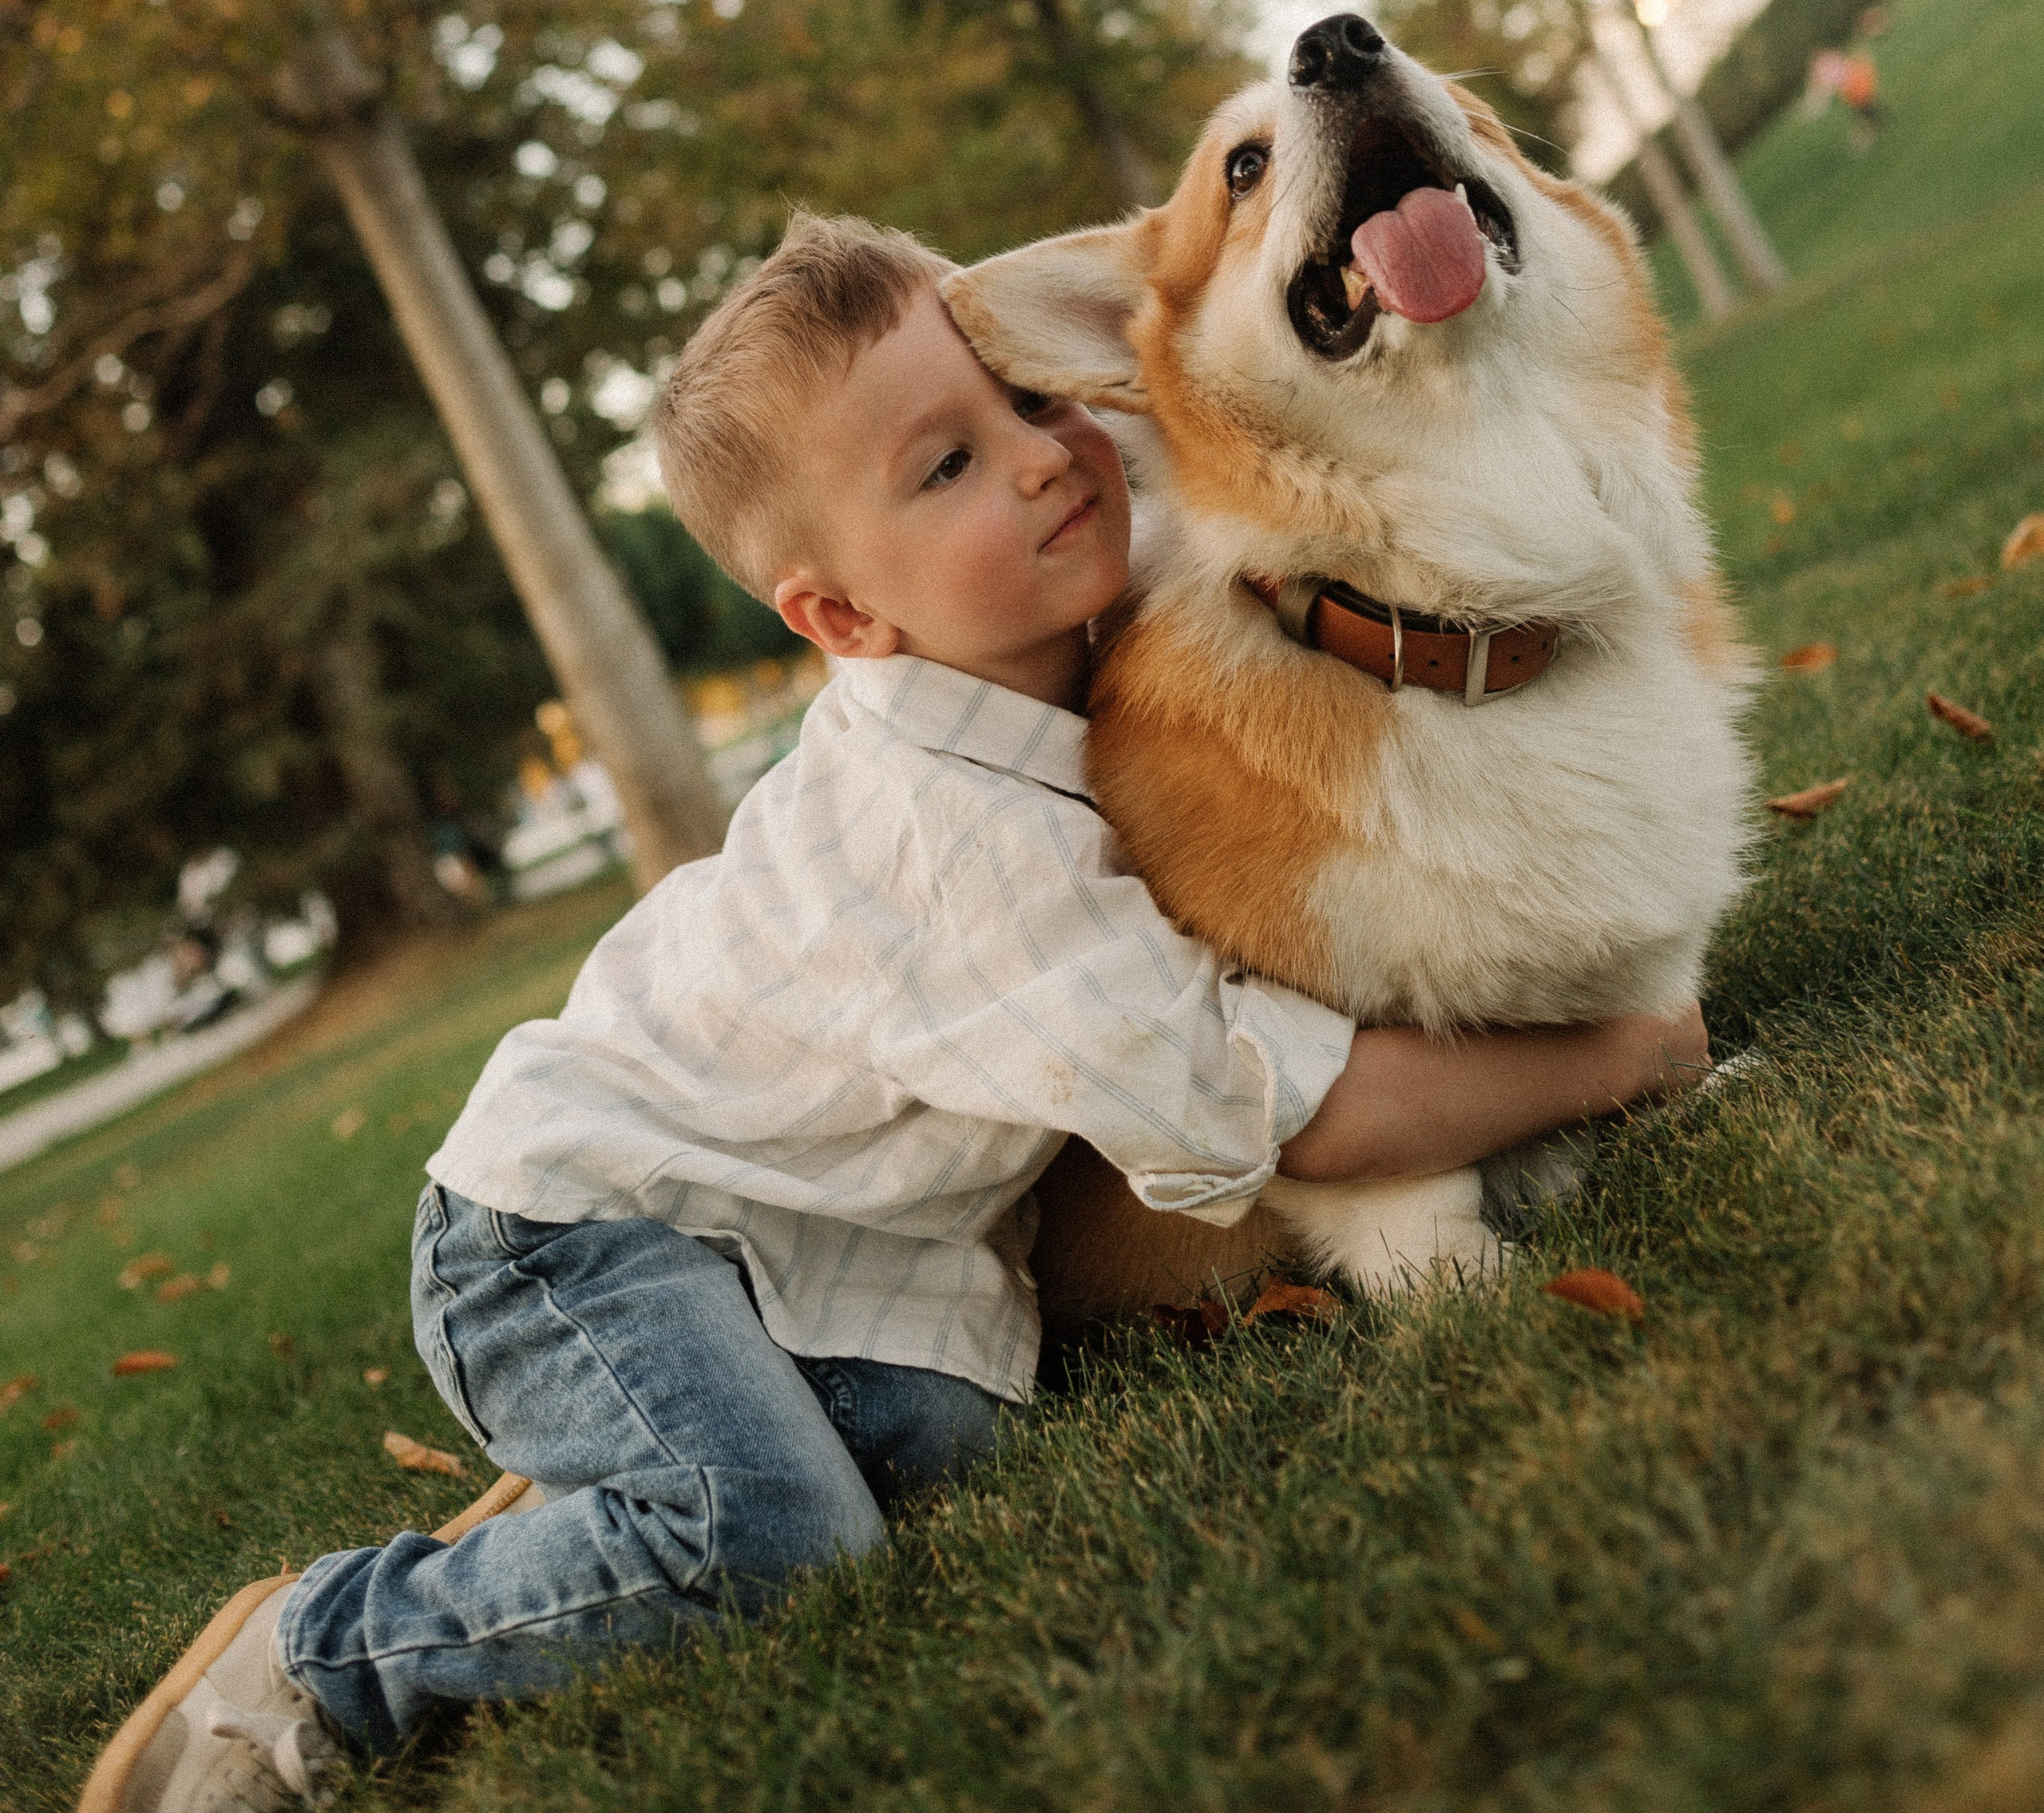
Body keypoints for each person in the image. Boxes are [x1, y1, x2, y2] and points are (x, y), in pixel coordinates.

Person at [91, 213, 1707, 1812]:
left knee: (947, 1436)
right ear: (844, 620)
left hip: (810, 1239)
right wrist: (1611, 1056)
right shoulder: (961, 839)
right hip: (564, 1231)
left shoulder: (1075, 580)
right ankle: (328, 1650)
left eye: (1023, 398)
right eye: (944, 469)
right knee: (774, 1545)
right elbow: (1282, 1106)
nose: (1038, 460)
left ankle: (643, 1455)